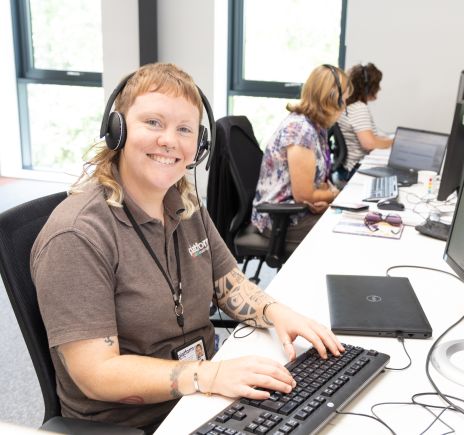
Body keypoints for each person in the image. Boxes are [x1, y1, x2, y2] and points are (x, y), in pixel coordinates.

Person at [30, 63, 344, 433]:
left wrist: (277, 313)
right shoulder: (78, 234)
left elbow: (230, 283)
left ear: (200, 144)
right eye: (153, 123)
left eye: (184, 129)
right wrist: (208, 376)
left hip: (202, 398)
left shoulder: (184, 204)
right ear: (117, 129)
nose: (169, 141)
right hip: (141, 423)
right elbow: (97, 374)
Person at [251, 64, 351, 246]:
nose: (345, 107)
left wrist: (323, 197)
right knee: (345, 235)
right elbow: (304, 195)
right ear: (332, 99)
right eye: (344, 100)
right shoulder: (300, 130)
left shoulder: (315, 126)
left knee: (350, 223)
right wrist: (333, 194)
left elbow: (314, 185)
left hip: (299, 210)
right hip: (281, 220)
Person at [337, 63, 393, 181]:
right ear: (367, 88)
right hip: (354, 169)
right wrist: (393, 143)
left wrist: (387, 140)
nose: (380, 88)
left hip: (345, 168)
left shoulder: (347, 105)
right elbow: (369, 143)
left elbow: (371, 138)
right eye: (378, 85)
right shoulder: (358, 108)